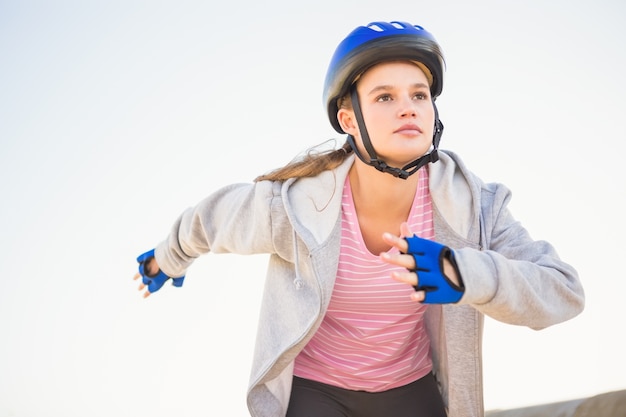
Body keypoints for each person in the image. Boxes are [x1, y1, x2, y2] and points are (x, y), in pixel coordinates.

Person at [133, 21, 585, 417]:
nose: (408, 107)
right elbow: (209, 222)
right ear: (350, 119)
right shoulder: (294, 207)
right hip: (317, 390)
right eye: (385, 96)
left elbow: (563, 292)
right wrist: (166, 260)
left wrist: (465, 273)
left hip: (410, 388)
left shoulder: (475, 206)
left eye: (419, 94)